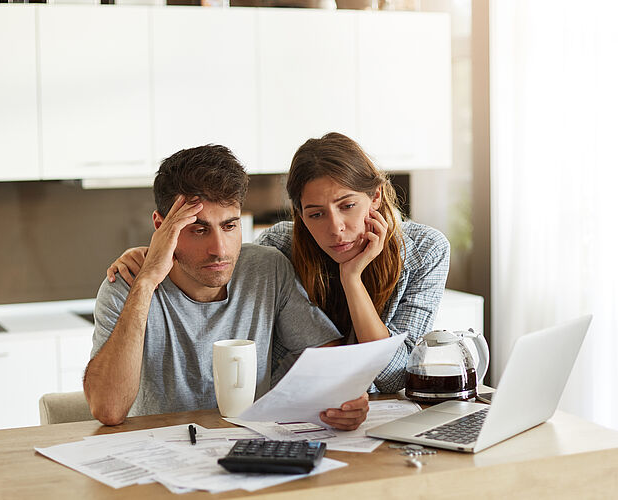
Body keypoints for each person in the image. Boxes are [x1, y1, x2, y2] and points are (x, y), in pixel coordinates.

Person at [107, 133, 450, 395]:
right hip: (301, 414)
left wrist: (352, 279)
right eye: (315, 214)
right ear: (299, 214)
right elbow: (217, 263)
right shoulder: (281, 246)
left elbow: (392, 377)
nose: (335, 228)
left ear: (374, 196)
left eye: (347, 206)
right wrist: (153, 256)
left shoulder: (425, 251)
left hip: (374, 413)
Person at [84, 144, 369, 430]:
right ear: (161, 226)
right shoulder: (127, 285)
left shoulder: (267, 269)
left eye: (230, 226)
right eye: (198, 229)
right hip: (159, 452)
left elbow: (331, 362)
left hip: (249, 447)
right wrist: (146, 283)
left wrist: (346, 400)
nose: (219, 250)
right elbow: (108, 410)